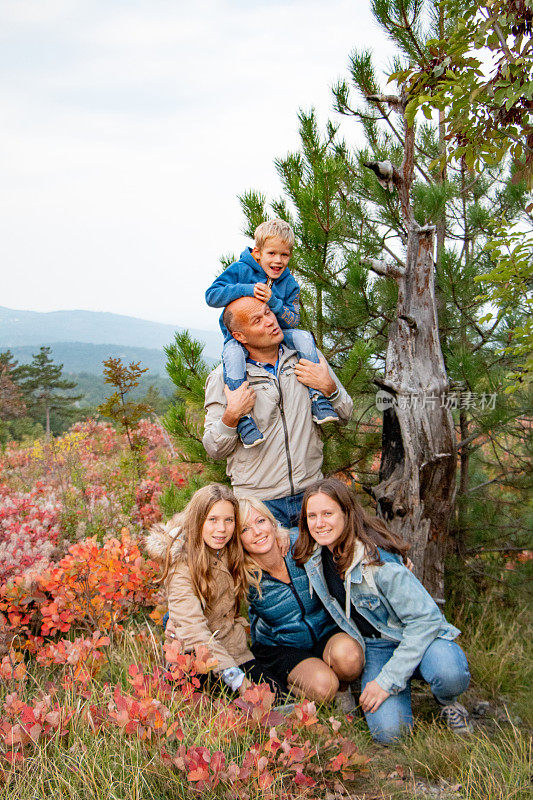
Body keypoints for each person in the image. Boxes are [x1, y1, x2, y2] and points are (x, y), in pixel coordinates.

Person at [294, 478, 472, 744]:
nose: (320, 523)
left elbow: (426, 621)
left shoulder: (378, 562)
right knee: (390, 735)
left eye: (328, 514)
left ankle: (447, 700)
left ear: (347, 513)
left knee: (450, 674)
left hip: (419, 636)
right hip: (377, 647)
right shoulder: (315, 556)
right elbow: (274, 536)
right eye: (312, 516)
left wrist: (385, 682)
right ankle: (404, 682)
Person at [202, 295, 353, 528]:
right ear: (239, 336)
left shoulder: (308, 358)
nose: (270, 321)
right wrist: (232, 415)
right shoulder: (222, 378)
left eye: (268, 313)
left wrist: (330, 388)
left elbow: (346, 414)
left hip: (311, 494)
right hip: (259, 503)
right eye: (257, 320)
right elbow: (214, 449)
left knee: (318, 565)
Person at [205, 218, 339, 448]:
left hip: (279, 335)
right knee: (233, 357)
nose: (278, 260)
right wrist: (247, 290)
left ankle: (317, 397)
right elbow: (211, 296)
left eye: (284, 255)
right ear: (257, 252)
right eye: (272, 253)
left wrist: (274, 302)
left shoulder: (289, 284)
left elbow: (292, 319)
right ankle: (244, 418)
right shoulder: (241, 270)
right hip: (239, 340)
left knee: (305, 337)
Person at [145, 483, 282, 696]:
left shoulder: (230, 548)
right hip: (196, 659)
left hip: (234, 650)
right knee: (237, 711)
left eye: (229, 520)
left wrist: (281, 535)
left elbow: (260, 539)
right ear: (198, 519)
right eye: (213, 520)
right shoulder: (181, 562)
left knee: (275, 697)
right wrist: (238, 681)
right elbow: (194, 631)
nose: (222, 529)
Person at [239, 496, 363, 705]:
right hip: (280, 647)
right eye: (245, 529)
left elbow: (348, 537)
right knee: (324, 686)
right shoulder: (242, 574)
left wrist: (393, 557)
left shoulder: (301, 542)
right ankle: (290, 686)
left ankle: (343, 689)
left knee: (350, 658)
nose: (257, 532)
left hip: (324, 631)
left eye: (260, 521)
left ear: (272, 522)